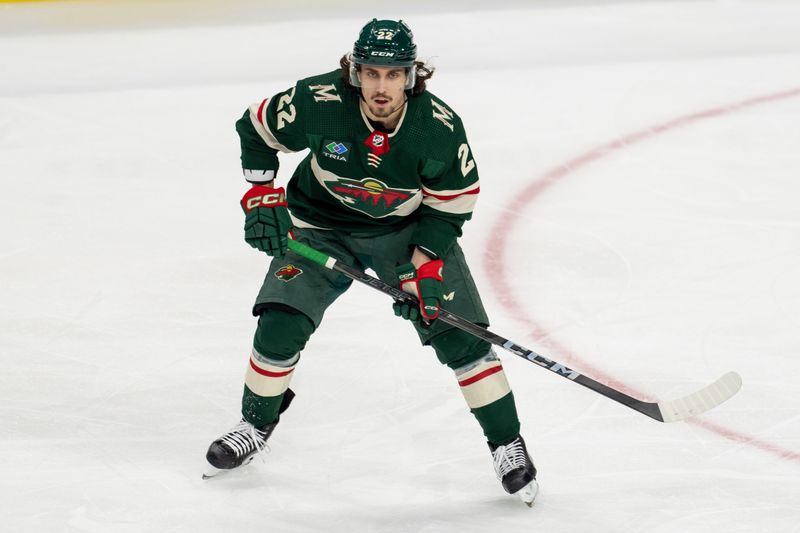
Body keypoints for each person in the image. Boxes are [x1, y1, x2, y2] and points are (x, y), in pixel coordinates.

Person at [205, 18, 538, 505]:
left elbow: (450, 206)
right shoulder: (317, 102)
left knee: (459, 335)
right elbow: (254, 127)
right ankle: (254, 426)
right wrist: (261, 194)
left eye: (393, 75)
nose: (382, 87)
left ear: (411, 76)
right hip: (319, 227)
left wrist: (423, 269)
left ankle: (507, 443)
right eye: (372, 73)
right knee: (280, 320)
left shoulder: (436, 131)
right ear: (355, 72)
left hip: (404, 234)